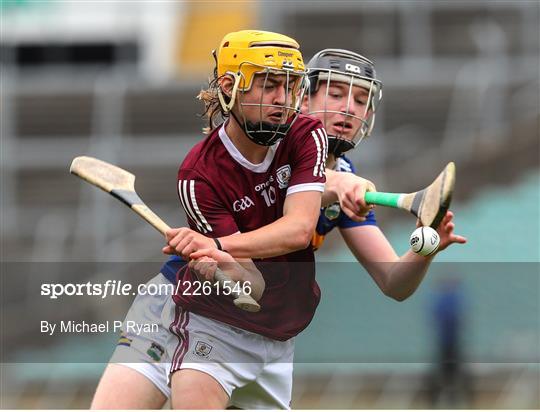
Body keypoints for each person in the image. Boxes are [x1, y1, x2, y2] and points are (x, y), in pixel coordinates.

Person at [304, 49, 466, 301]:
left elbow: (393, 283)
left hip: (276, 331)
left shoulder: (347, 173)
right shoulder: (273, 152)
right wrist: (341, 184)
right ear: (304, 100)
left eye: (360, 101)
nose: (349, 108)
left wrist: (426, 248)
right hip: (225, 313)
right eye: (335, 94)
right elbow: (301, 183)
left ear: (368, 115)